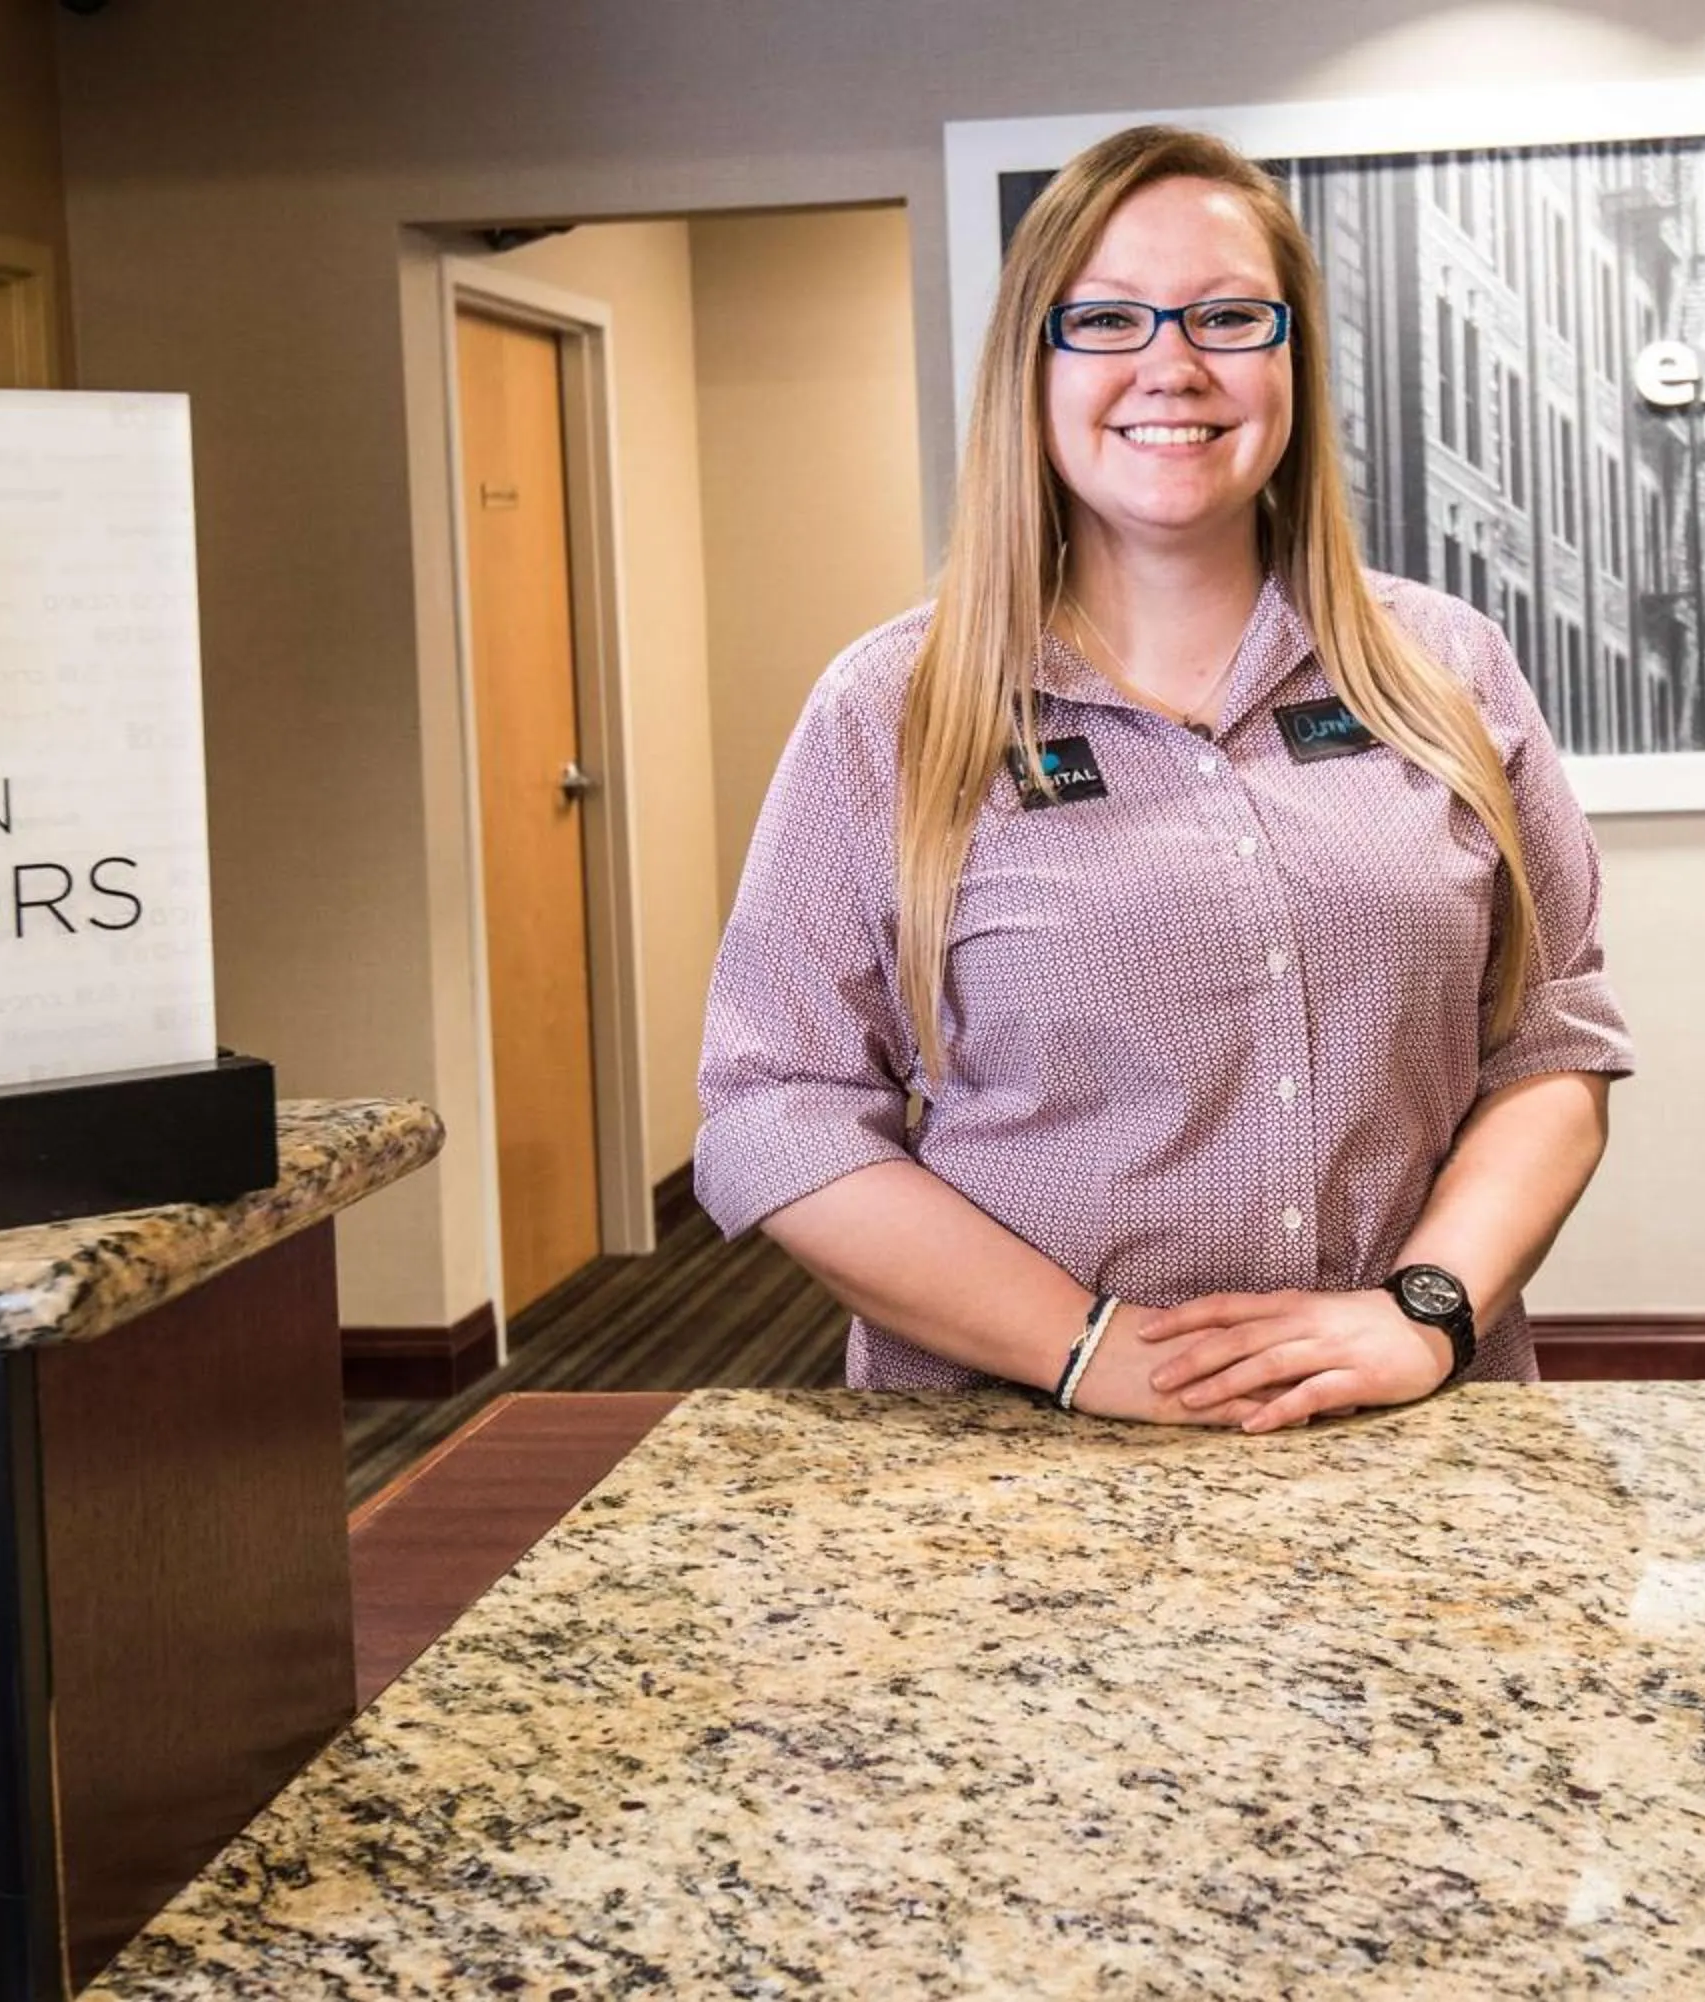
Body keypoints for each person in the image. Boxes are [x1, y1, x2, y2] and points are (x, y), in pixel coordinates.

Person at [692, 124, 1634, 1432]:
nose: (1172, 365)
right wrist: (1088, 1348)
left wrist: (1425, 1308)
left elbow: (1553, 1044)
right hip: (1016, 1458)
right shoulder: (892, 710)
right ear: (1035, 363)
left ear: (1294, 357)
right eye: (1109, 320)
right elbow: (775, 1111)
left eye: (1228, 317)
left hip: (1409, 1440)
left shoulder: (1449, 667)